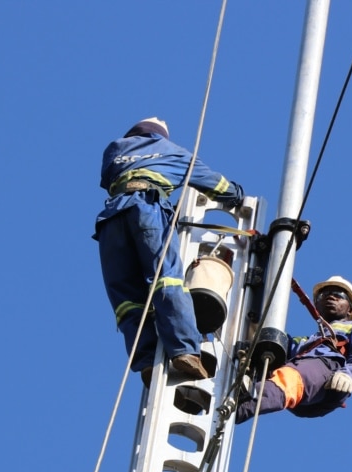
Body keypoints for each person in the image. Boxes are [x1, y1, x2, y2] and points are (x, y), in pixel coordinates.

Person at [94, 117, 244, 386]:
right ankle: (184, 350)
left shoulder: (114, 149)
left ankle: (147, 360)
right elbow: (215, 184)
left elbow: (107, 180)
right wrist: (235, 194)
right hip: (147, 209)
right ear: (159, 136)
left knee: (127, 297)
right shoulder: (171, 150)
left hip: (111, 219)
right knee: (167, 278)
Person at [235, 276, 352, 424]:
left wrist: (349, 374)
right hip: (301, 388)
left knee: (289, 376)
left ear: (350, 309)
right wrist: (254, 321)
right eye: (324, 295)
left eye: (339, 295)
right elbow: (278, 344)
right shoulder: (306, 342)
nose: (331, 297)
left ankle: (245, 397)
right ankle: (234, 407)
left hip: (329, 375)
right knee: (268, 360)